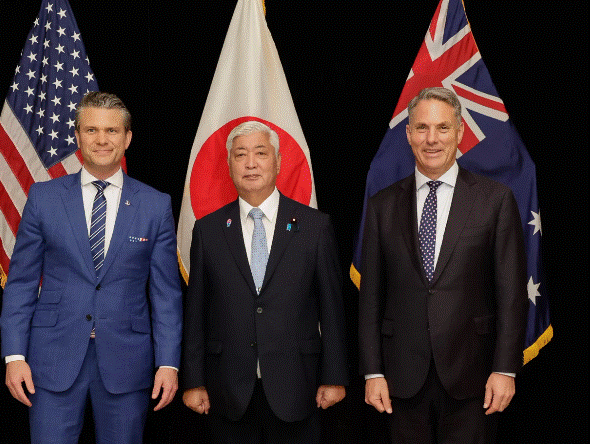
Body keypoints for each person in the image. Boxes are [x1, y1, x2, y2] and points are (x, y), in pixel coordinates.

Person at [0, 91, 182, 444]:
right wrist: (14, 355)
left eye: (112, 131)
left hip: (127, 362)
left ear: (127, 138)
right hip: (51, 358)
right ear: (77, 136)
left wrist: (168, 363)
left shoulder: (155, 205)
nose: (102, 139)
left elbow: (166, 296)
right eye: (92, 130)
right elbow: (21, 283)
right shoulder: (43, 198)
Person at [358, 87, 528, 444]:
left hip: (474, 376)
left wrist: (505, 369)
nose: (431, 139)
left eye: (442, 128)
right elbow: (370, 298)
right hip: (401, 378)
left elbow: (511, 295)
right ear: (408, 134)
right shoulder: (381, 206)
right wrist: (372, 372)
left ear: (460, 131)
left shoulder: (495, 200)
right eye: (422, 128)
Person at [182, 121, 348, 444]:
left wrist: (335, 376)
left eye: (260, 153)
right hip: (227, 389)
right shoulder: (207, 230)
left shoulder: (315, 227)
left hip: (297, 386)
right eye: (240, 155)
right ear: (229, 164)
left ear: (278, 161)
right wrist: (194, 380)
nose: (251, 163)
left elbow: (331, 307)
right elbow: (196, 312)